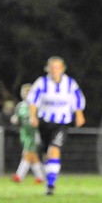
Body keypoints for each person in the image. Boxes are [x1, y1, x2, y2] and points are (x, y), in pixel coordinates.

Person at [27, 56, 86, 195]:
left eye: (58, 67)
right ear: (48, 69)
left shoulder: (70, 83)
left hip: (62, 123)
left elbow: (77, 99)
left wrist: (79, 114)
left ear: (63, 69)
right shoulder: (42, 83)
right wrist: (33, 116)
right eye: (52, 67)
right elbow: (33, 101)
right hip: (45, 122)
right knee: (45, 154)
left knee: (54, 149)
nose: (55, 70)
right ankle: (49, 177)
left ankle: (50, 185)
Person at [11, 83, 45, 183]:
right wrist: (15, 119)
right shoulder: (20, 105)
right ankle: (40, 177)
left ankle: (19, 176)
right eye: (24, 92)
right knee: (33, 156)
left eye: (28, 92)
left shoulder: (36, 105)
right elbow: (17, 117)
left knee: (27, 153)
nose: (25, 94)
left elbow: (41, 119)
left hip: (34, 133)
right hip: (24, 133)